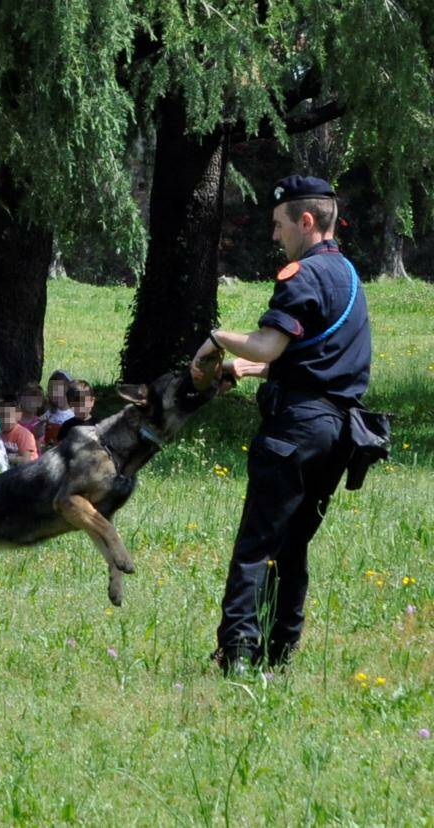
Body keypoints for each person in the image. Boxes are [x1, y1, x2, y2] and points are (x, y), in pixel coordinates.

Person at [191, 174, 371, 676]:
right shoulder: (350, 277)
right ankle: (280, 654)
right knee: (292, 548)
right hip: (337, 436)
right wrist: (241, 369)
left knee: (256, 547)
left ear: (306, 221)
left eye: (279, 225)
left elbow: (269, 345)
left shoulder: (303, 275)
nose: (275, 236)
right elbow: (312, 357)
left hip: (293, 432)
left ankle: (237, 657)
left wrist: (216, 340)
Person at [0, 395, 38, 464]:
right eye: (2, 415)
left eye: (9, 416)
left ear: (18, 416)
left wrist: (9, 458)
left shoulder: (24, 434)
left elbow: (27, 460)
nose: (5, 419)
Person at [41, 369, 74, 446]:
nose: (56, 395)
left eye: (60, 392)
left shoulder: (73, 414)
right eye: (53, 391)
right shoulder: (50, 413)